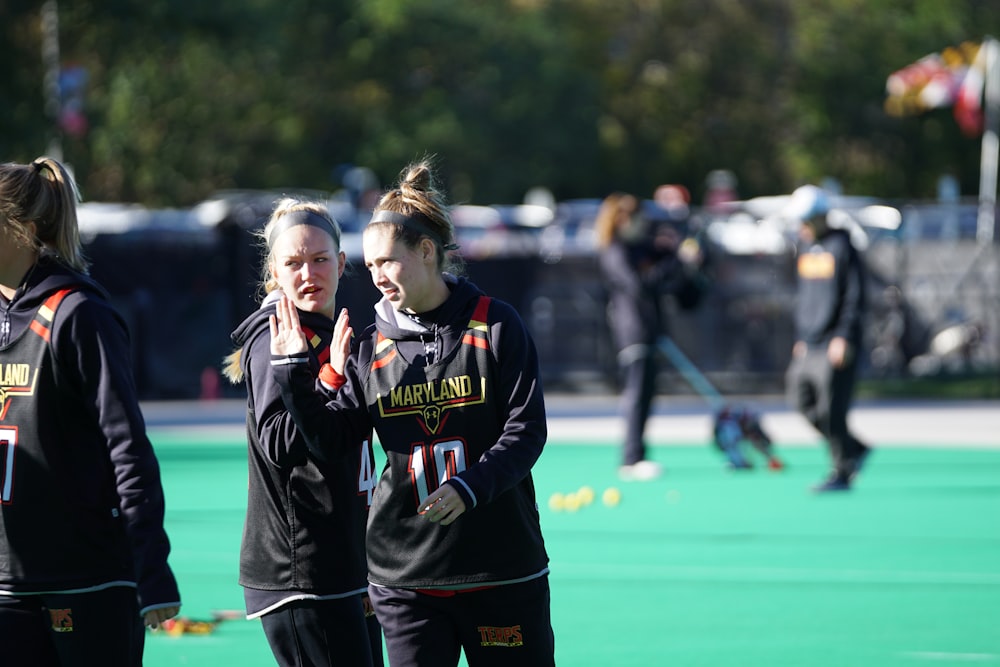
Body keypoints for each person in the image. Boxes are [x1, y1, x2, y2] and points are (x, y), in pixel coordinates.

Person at [269, 159, 555, 667]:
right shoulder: (368, 345)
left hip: (499, 570)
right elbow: (332, 441)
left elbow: (526, 432)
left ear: (427, 252)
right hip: (404, 580)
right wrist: (295, 373)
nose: (375, 275)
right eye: (370, 264)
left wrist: (471, 486)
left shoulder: (496, 325)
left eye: (387, 262)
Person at [0, 156, 181, 666]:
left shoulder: (78, 314)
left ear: (25, 230)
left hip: (86, 578)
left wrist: (152, 567)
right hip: (9, 583)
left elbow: (126, 445)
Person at [222, 199, 383, 666]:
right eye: (293, 263)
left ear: (342, 262)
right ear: (274, 270)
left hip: (344, 563)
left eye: (319, 260)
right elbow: (279, 442)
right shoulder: (277, 336)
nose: (308, 273)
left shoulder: (330, 330)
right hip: (303, 571)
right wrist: (326, 378)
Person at [594, 192, 704, 481]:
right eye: (636, 217)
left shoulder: (640, 247)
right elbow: (639, 285)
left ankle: (637, 455)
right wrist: (674, 260)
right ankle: (631, 458)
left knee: (646, 395)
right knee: (637, 396)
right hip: (633, 333)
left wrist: (677, 250)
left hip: (651, 332)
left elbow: (664, 262)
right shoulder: (614, 251)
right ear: (621, 219)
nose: (643, 223)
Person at [783, 185, 871, 492]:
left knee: (831, 409)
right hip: (811, 341)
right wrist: (801, 336)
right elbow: (806, 297)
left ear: (821, 217)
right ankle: (854, 447)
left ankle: (842, 470)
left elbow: (854, 297)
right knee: (799, 398)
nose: (801, 227)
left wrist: (843, 337)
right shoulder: (806, 248)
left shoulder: (843, 246)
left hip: (836, 342)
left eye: (806, 220)